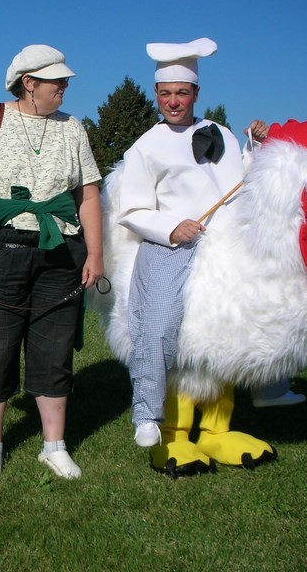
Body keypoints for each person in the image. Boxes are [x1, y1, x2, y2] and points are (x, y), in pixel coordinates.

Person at [0, 44, 104, 481]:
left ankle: (54, 446)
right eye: (57, 80)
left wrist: (96, 253)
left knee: (54, 349)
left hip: (61, 250)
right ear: (28, 83)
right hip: (1, 247)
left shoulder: (74, 128)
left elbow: (88, 195)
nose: (65, 86)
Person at [116, 38, 271, 447]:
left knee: (256, 308)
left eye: (181, 93)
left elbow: (240, 186)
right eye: (165, 94)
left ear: (196, 94)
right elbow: (131, 210)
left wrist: (257, 147)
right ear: (156, 95)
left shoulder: (219, 132)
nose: (173, 101)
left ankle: (269, 385)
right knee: (159, 321)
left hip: (223, 243)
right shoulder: (144, 147)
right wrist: (171, 228)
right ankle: (149, 413)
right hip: (170, 246)